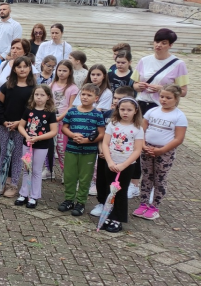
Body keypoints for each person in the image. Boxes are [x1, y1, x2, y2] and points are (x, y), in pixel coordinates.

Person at [136, 84, 187, 221]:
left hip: (165, 152)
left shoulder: (179, 116)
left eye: (168, 98)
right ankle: (143, 203)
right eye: (162, 96)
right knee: (146, 177)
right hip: (147, 148)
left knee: (159, 178)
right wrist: (143, 145)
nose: (164, 100)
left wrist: (162, 150)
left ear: (176, 99)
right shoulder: (152, 111)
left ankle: (155, 206)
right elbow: (142, 130)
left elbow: (179, 138)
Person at [92, 97, 144, 232]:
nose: (125, 112)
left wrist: (124, 165)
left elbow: (137, 150)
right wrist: (109, 161)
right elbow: (105, 143)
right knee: (109, 190)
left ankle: (118, 218)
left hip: (126, 165)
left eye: (129, 110)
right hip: (111, 163)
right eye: (122, 109)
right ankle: (108, 215)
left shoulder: (137, 128)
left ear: (135, 111)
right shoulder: (113, 124)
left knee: (121, 191)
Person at [59, 84, 105, 217]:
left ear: (96, 98)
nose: (85, 97)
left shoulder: (97, 114)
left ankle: (81, 202)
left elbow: (101, 133)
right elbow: (64, 128)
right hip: (71, 149)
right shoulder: (72, 111)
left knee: (85, 178)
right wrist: (73, 135)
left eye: (89, 95)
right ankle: (69, 199)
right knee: (69, 176)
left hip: (89, 152)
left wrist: (87, 141)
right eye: (83, 94)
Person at [0, 56, 36, 198]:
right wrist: (3, 121)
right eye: (19, 67)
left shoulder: (33, 89)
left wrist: (19, 123)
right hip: (5, 125)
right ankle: (2, 181)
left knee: (18, 156)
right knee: (4, 154)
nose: (22, 69)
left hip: (22, 127)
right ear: (14, 69)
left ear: (30, 68)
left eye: (25, 66)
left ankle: (13, 184)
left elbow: (32, 109)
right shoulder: (7, 86)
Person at [16, 85, 57, 209]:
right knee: (26, 168)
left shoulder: (50, 113)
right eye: (36, 94)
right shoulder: (29, 110)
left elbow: (53, 131)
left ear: (48, 97)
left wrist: (38, 138)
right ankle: (24, 193)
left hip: (41, 146)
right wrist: (27, 136)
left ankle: (34, 196)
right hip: (27, 144)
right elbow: (21, 126)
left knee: (36, 170)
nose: (39, 97)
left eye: (42, 95)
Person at [132, 28, 188, 116]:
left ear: (170, 45)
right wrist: (139, 86)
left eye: (164, 43)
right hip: (141, 104)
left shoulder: (179, 64)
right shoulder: (143, 61)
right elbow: (135, 85)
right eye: (157, 42)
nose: (159, 45)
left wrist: (162, 89)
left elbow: (183, 91)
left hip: (161, 107)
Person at [51, 60, 78, 174]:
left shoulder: (73, 88)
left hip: (64, 121)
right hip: (51, 120)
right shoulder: (51, 85)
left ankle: (65, 171)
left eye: (64, 71)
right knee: (49, 147)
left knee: (62, 148)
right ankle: (48, 169)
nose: (61, 73)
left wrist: (60, 117)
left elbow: (71, 106)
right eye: (59, 70)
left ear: (70, 72)